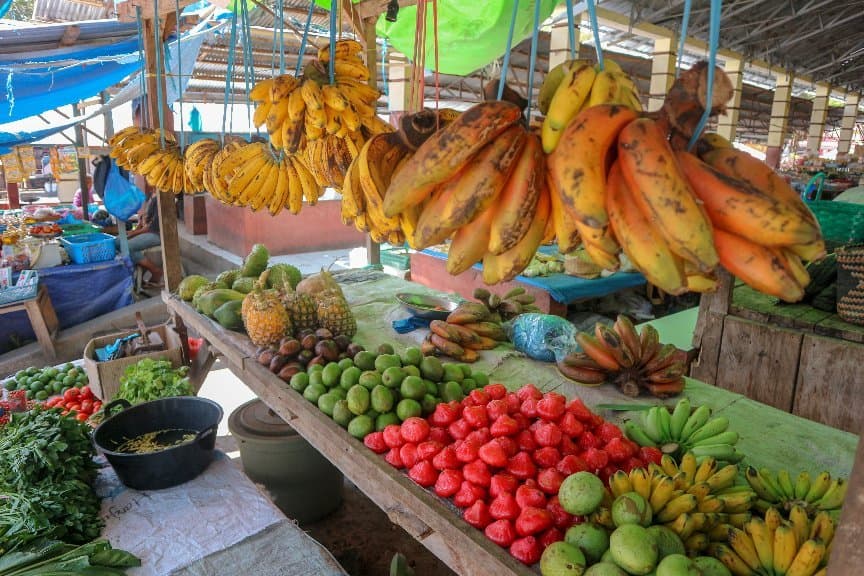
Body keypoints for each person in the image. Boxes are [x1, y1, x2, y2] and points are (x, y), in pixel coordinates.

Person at [117, 192, 163, 286]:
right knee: (116, 241)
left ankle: (155, 270)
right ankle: (139, 269)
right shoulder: (151, 195)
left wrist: (133, 233)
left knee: (126, 246)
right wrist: (135, 230)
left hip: (157, 234)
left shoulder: (161, 197)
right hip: (146, 231)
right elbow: (143, 220)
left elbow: (152, 227)